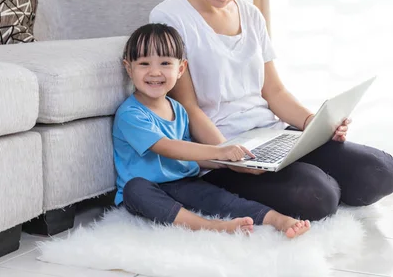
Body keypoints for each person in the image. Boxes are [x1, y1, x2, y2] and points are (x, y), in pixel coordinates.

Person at [149, 0, 393, 222]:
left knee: (383, 172)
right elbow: (187, 107)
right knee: (319, 196)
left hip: (272, 135)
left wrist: (315, 125)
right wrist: (229, 156)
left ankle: (299, 168)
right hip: (221, 151)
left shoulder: (251, 14)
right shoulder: (170, 16)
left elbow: (275, 92)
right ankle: (293, 178)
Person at [112, 23, 311, 238]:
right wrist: (218, 151)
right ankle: (207, 226)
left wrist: (226, 162)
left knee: (220, 197)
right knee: (135, 190)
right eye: (144, 64)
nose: (155, 72)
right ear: (129, 68)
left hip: (182, 183)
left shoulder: (177, 108)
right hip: (147, 188)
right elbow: (168, 147)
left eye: (165, 63)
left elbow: (190, 157)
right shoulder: (130, 114)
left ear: (180, 69)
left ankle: (277, 219)